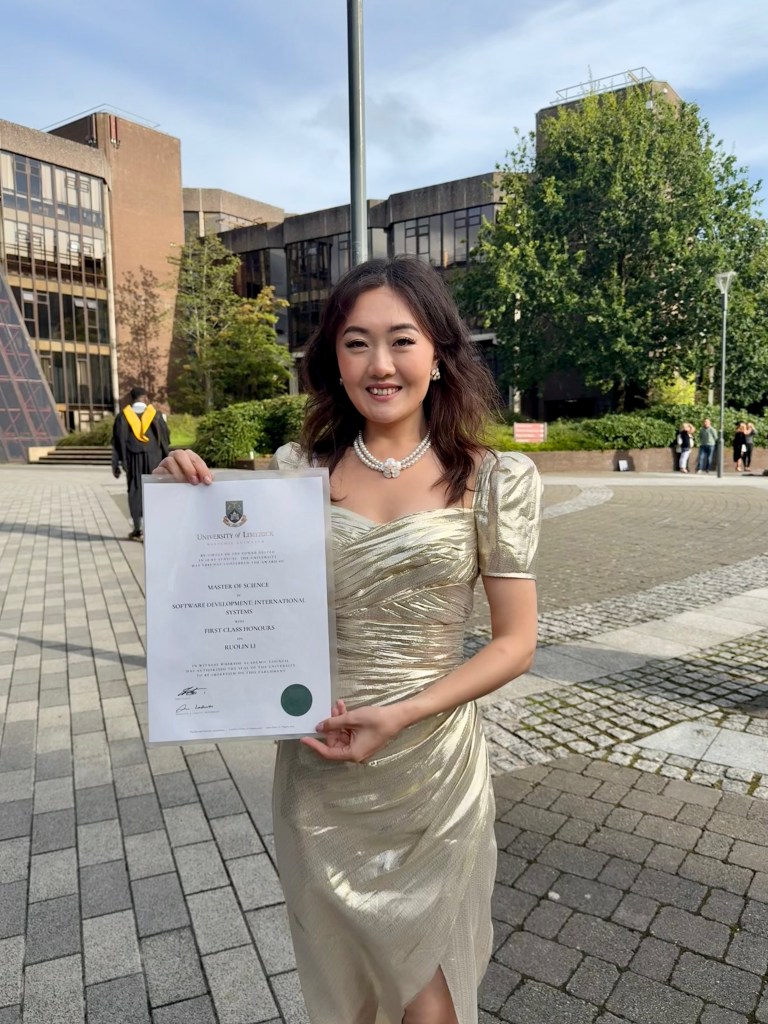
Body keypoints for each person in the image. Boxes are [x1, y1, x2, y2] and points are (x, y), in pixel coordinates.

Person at [154, 256, 541, 1024]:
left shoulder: (497, 479)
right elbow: (240, 602)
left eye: (402, 340)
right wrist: (182, 507)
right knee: (348, 982)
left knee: (428, 1003)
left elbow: (516, 643)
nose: (381, 364)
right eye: (357, 342)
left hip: (433, 765)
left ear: (438, 353)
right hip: (322, 757)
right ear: (333, 357)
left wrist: (401, 713)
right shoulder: (298, 474)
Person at [112, 386, 170, 540]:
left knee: (135, 490)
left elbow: (117, 441)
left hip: (132, 459)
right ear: (145, 398)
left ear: (133, 399)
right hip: (154, 458)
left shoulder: (123, 417)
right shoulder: (156, 415)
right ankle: (156, 527)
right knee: (155, 490)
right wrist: (167, 459)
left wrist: (116, 463)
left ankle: (138, 529)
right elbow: (165, 439)